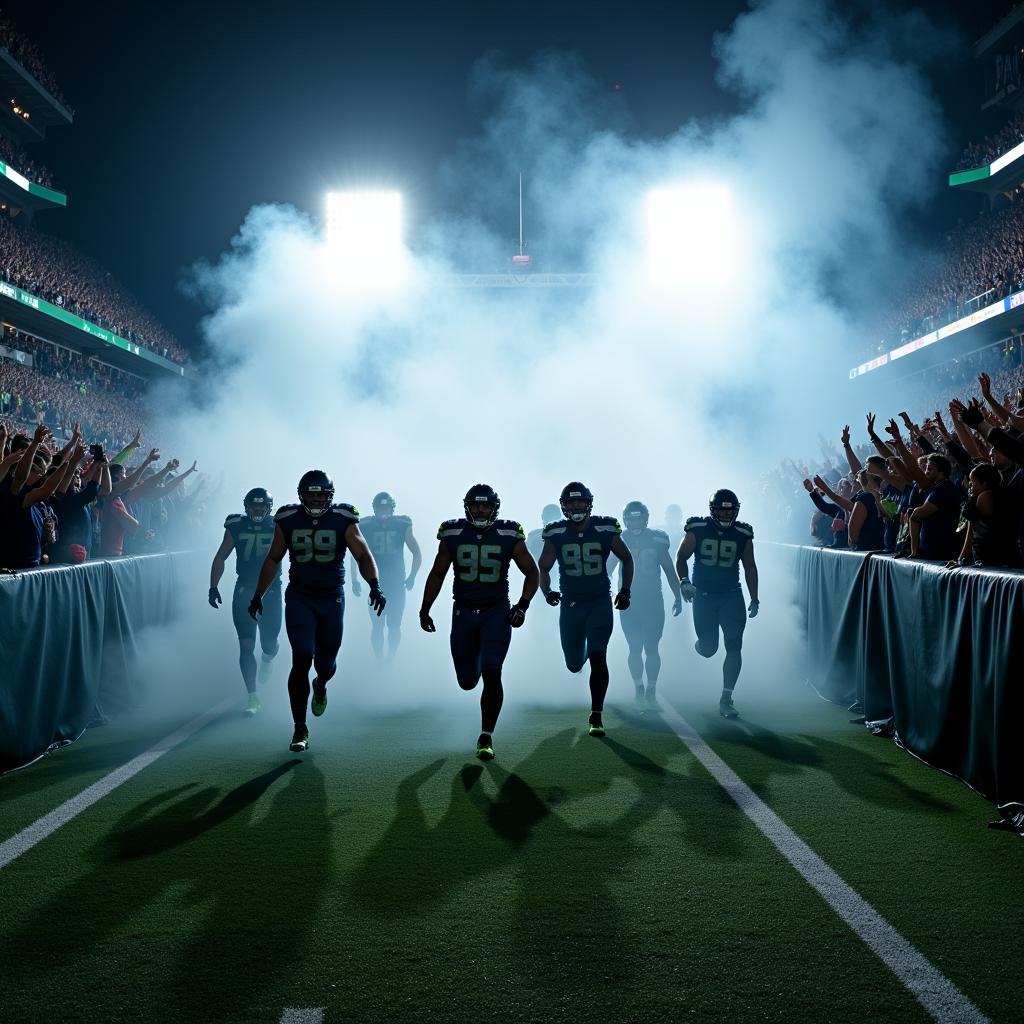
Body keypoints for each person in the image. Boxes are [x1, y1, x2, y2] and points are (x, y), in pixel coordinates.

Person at [249, 470, 385, 753]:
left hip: (331, 599)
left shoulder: (343, 518)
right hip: (300, 598)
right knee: (300, 658)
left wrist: (374, 585)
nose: (315, 499)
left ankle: (320, 684)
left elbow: (362, 553)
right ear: (301, 495)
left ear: (329, 496)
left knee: (325, 665)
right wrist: (258, 594)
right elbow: (274, 558)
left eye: (320, 495)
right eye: (310, 494)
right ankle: (300, 728)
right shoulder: (288, 518)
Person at [419, 484, 538, 761]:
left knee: (492, 670)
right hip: (462, 612)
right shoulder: (453, 533)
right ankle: (475, 671)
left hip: (496, 612)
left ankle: (486, 736)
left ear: (495, 508)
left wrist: (522, 605)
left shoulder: (510, 534)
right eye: (476, 505)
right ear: (467, 507)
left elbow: (531, 571)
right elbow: (437, 573)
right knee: (467, 681)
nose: (481, 510)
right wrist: (425, 608)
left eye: (485, 505)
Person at [538, 482, 633, 737]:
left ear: (589, 503)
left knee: (598, 654)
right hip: (571, 605)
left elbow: (626, 557)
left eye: (580, 502)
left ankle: (596, 714)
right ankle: (580, 659)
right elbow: (543, 567)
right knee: (573, 664)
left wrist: (625, 590)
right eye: (571, 502)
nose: (576, 506)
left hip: (600, 602)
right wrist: (547, 592)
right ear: (563, 505)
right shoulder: (555, 532)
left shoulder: (605, 527)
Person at [676, 488, 759, 719]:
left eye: (729, 511)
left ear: (736, 511)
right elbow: (681, 556)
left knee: (734, 645)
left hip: (731, 596)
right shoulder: (697, 528)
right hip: (704, 596)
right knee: (709, 649)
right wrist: (684, 581)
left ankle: (726, 698)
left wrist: (754, 597)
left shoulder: (743, 532)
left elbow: (750, 566)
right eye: (721, 511)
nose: (725, 515)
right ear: (713, 511)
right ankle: (700, 646)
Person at [209, 488, 282, 716]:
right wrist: (213, 586)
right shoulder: (236, 525)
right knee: (246, 644)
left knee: (269, 643)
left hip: (271, 591)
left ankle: (268, 658)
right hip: (245, 590)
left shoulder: (279, 525)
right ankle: (252, 696)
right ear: (247, 507)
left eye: (261, 506)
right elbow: (221, 555)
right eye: (254, 506)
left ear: (268, 507)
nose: (257, 510)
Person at [615, 500, 682, 706]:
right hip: (628, 601)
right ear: (626, 520)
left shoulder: (657, 539)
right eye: (632, 519)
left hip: (652, 600)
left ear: (645, 520)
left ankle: (651, 688)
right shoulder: (619, 539)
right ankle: (638, 687)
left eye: (638, 519)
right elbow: (606, 568)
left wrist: (678, 596)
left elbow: (670, 570)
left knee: (652, 647)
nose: (635, 523)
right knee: (634, 647)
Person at [352, 491, 421, 659]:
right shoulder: (365, 524)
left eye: (386, 508)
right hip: (375, 584)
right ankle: (379, 659)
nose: (384, 512)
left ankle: (391, 657)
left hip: (397, 584)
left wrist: (412, 576)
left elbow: (417, 552)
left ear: (392, 508)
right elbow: (355, 555)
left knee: (394, 626)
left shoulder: (402, 524)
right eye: (380, 508)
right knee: (377, 626)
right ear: (375, 509)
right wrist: (354, 579)